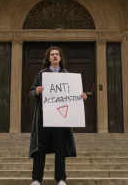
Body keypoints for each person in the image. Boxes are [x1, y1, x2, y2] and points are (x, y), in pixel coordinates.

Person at [28, 46, 87, 185]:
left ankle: (60, 179)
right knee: (39, 149)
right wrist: (36, 91)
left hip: (61, 118)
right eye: (52, 54)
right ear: (49, 58)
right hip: (44, 117)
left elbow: (74, 95)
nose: (55, 56)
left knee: (60, 149)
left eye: (57, 54)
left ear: (60, 58)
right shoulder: (41, 75)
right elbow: (31, 93)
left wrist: (81, 97)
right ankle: (36, 179)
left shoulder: (68, 75)